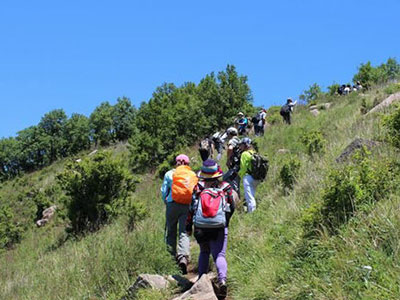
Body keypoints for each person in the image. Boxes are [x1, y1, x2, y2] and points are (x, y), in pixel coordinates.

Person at [186, 159, 235, 299]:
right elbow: (232, 207)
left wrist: (188, 226)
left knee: (204, 251)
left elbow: (191, 209)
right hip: (219, 226)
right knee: (219, 255)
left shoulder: (198, 188)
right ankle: (222, 280)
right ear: (217, 173)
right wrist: (225, 221)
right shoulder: (225, 187)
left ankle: (201, 281)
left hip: (200, 227)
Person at [161, 154, 198, 274]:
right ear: (187, 164)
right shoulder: (192, 174)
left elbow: (164, 191)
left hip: (172, 204)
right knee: (184, 232)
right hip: (186, 205)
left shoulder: (169, 174)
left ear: (176, 162)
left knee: (171, 231)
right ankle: (183, 257)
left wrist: (166, 201)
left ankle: (171, 258)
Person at [238, 138, 259, 212]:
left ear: (245, 145)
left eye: (241, 145)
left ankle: (252, 213)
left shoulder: (244, 154)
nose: (240, 147)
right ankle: (252, 211)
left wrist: (240, 175)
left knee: (249, 197)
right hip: (256, 177)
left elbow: (243, 167)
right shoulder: (254, 152)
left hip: (248, 177)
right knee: (252, 195)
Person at [224, 127, 241, 194]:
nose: (227, 136)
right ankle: (238, 198)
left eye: (228, 134)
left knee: (227, 179)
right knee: (236, 180)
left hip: (234, 164)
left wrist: (228, 160)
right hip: (238, 164)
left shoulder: (232, 140)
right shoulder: (238, 140)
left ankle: (234, 197)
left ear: (230, 134)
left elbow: (230, 148)